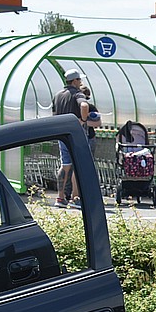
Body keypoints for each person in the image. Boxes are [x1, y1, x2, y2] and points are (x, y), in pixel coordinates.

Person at [51, 68, 89, 207]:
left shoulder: (58, 95)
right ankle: (75, 197)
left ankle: (60, 198)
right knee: (78, 165)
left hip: (62, 134)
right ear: (74, 81)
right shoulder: (77, 94)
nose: (80, 82)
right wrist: (83, 120)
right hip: (75, 134)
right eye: (79, 79)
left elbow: (53, 114)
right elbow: (84, 105)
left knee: (65, 165)